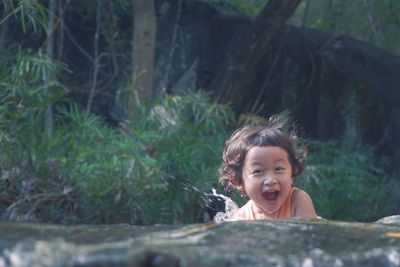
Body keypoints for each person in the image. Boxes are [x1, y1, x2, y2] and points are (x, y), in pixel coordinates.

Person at [217, 115, 317, 221]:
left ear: (292, 172)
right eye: (258, 171)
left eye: (278, 169)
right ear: (238, 181)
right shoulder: (241, 217)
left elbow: (305, 236)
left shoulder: (298, 201)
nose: (270, 180)